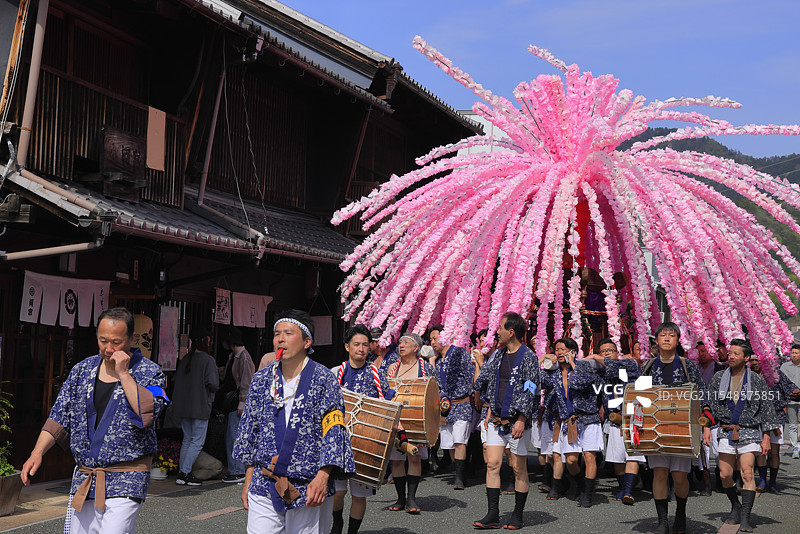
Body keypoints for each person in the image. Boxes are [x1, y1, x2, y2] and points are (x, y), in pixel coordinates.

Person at [21, 307, 168, 534]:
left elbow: (147, 412)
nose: (108, 349)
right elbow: (59, 415)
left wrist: (124, 374)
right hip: (85, 477)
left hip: (127, 478)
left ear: (131, 339)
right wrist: (37, 453)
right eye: (103, 341)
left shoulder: (151, 373)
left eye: (116, 342)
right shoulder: (82, 370)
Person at [233, 309, 355, 534]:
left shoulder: (323, 379)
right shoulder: (261, 379)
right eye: (276, 333)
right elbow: (250, 429)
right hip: (265, 481)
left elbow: (334, 429)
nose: (280, 339)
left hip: (309, 484)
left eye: (288, 333)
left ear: (307, 342)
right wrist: (248, 479)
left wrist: (323, 476)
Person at [641, 322, 710, 534]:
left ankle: (680, 514)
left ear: (678, 340)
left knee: (680, 476)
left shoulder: (688, 366)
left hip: (682, 428)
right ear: (656, 340)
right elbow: (638, 397)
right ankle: (662, 521)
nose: (667, 338)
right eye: (662, 335)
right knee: (659, 473)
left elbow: (701, 394)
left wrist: (706, 423)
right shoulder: (648, 366)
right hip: (655, 428)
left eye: (671, 335)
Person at [473, 312, 540, 530]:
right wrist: (478, 365)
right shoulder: (498, 355)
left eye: (501, 328)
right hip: (496, 418)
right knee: (492, 464)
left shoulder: (528, 357)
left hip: (516, 421)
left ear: (511, 332)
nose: (497, 332)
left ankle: (517, 515)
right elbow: (485, 380)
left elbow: (531, 388)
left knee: (518, 468)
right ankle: (493, 514)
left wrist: (522, 418)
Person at [707, 339, 778, 533]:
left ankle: (746, 517)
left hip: (749, 429)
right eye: (730, 353)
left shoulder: (756, 379)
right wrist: (706, 427)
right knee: (725, 474)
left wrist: (766, 437)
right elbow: (709, 404)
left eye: (735, 353)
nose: (730, 356)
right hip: (726, 430)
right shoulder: (719, 377)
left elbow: (766, 407)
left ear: (746, 357)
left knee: (747, 471)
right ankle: (735, 505)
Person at [330, 324, 392, 534]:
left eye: (365, 345)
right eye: (356, 344)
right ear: (347, 346)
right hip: (339, 442)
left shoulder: (376, 374)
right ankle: (337, 524)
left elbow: (388, 404)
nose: (361, 349)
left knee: (359, 496)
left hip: (366, 442)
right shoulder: (335, 373)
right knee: (337, 492)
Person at [542, 337, 605, 508]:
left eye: (562, 349)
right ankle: (582, 485)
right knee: (570, 461)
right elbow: (535, 381)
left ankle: (587, 495)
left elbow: (583, 383)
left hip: (589, 418)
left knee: (590, 457)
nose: (559, 352)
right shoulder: (554, 373)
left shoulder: (583, 366)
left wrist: (572, 364)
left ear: (572, 351)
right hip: (569, 421)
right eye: (557, 349)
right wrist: (542, 360)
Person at [586, 338, 644, 505]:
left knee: (632, 455)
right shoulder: (601, 372)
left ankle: (628, 491)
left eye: (609, 350)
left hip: (633, 416)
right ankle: (623, 488)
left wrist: (596, 358)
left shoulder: (628, 363)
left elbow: (614, 367)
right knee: (617, 458)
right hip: (613, 419)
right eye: (602, 351)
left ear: (617, 352)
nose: (606, 354)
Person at [386, 333, 437, 515]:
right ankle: (400, 498)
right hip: (397, 419)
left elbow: (435, 390)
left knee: (414, 458)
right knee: (397, 460)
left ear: (416, 347)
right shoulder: (392, 367)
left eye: (406, 342)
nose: (401, 345)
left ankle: (411, 498)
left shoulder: (425, 367)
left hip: (416, 419)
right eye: (400, 342)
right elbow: (383, 390)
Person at [428, 324, 476, 490]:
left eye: (435, 338)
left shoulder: (459, 352)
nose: (432, 342)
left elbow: (470, 375)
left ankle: (459, 477)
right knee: (449, 445)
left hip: (462, 403)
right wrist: (432, 361)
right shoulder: (438, 360)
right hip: (446, 407)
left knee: (459, 441)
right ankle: (459, 471)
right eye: (431, 340)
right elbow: (435, 383)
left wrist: (473, 395)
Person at [173, 328, 220, 486]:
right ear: (206, 341)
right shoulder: (208, 360)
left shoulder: (186, 358)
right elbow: (214, 384)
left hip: (184, 407)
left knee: (187, 440)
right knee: (196, 442)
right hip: (200, 406)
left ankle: (182, 473)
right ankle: (185, 473)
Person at [750, 357, 800, 493]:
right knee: (761, 452)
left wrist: (795, 392)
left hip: (776, 417)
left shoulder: (775, 373)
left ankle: (772, 482)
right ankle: (762, 481)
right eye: (752, 360)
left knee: (774, 452)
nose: (754, 363)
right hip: (756, 419)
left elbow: (790, 388)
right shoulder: (747, 376)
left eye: (757, 360)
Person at [220, 327, 255, 483]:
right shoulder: (234, 356)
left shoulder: (244, 357)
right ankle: (235, 469)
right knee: (231, 435)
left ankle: (238, 470)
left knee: (234, 436)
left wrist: (242, 403)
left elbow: (247, 382)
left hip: (237, 403)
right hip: (232, 403)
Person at [693, 340, 725, 496]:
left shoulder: (721, 369)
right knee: (702, 453)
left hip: (717, 416)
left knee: (720, 452)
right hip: (699, 415)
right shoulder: (694, 370)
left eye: (704, 351)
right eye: (699, 351)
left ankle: (721, 482)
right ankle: (707, 485)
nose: (701, 354)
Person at [780, 344, 800, 458]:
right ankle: (795, 448)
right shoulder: (784, 367)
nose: (794, 355)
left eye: (796, 353)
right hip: (790, 400)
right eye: (792, 353)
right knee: (793, 424)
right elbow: (781, 383)